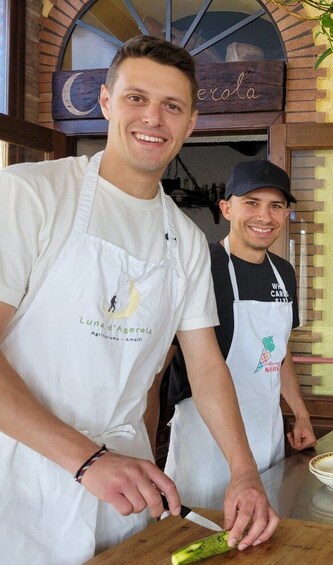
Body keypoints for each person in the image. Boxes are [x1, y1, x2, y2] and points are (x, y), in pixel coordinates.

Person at [0, 35, 278, 564]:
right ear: (106, 102)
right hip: (19, 479)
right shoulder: (29, 194)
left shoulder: (187, 240)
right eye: (136, 98)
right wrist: (85, 461)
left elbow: (206, 365)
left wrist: (244, 473)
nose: (153, 118)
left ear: (190, 123)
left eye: (171, 106)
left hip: (125, 492)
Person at [163, 159, 317, 509]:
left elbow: (279, 351)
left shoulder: (284, 273)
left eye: (275, 205)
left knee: (264, 535)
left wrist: (300, 412)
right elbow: (160, 361)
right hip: (207, 444)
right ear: (226, 208)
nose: (265, 216)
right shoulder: (200, 268)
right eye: (252, 203)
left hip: (268, 433)